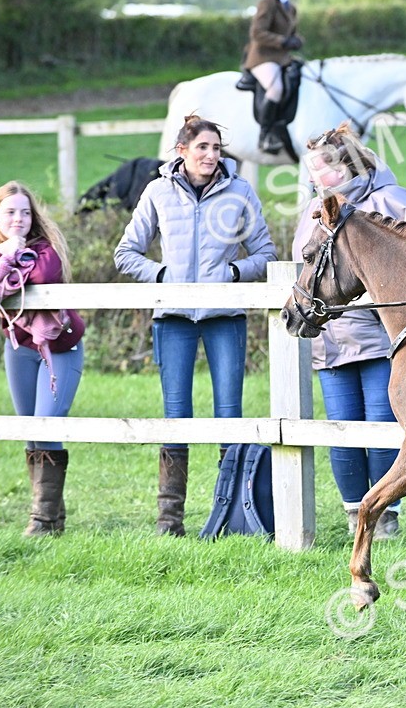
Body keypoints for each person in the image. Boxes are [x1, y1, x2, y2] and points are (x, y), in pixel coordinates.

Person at [115, 114, 278, 536]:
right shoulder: (157, 192)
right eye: (202, 147)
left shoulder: (239, 191)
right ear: (181, 151)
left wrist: (236, 274)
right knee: (176, 416)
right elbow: (126, 253)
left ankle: (229, 517)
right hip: (173, 317)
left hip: (226, 316)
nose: (210, 155)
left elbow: (265, 251)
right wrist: (162, 276)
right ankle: (170, 521)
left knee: (229, 413)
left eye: (216, 148)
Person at [292, 122, 406, 538]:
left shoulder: (391, 201)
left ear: (345, 167)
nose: (311, 178)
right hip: (331, 341)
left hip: (384, 339)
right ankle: (353, 519)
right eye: (308, 170)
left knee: (382, 427)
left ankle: (386, 517)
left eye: (318, 169)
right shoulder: (315, 212)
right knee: (341, 429)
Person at [0, 182, 85, 536]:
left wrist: (14, 251)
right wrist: (5, 252)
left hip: (61, 346)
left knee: (46, 423)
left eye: (25, 212)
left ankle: (41, 522)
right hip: (19, 347)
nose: (19, 219)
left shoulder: (44, 248)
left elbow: (45, 275)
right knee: (29, 429)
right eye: (10, 212)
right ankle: (53, 518)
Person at [243, 0, 303, 154]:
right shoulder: (267, 3)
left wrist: (295, 40)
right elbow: (257, 33)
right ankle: (265, 135)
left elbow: (289, 33)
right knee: (275, 88)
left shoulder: (290, 7)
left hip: (281, 58)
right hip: (262, 57)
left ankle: (284, 125)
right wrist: (282, 41)